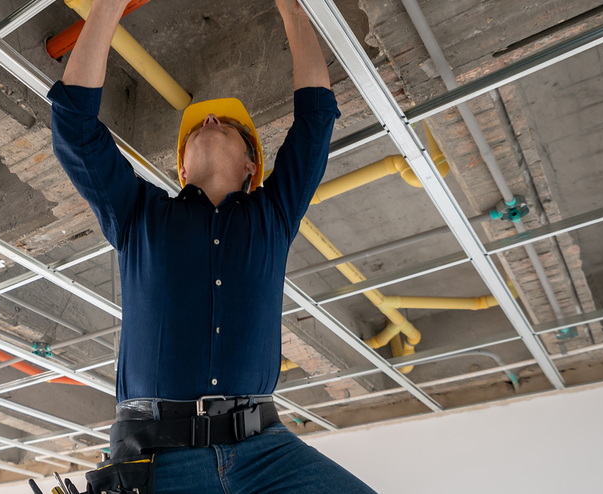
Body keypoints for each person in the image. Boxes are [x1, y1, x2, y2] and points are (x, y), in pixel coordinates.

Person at [48, 0, 375, 492]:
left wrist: (292, 10)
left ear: (252, 168)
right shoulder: (139, 212)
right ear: (181, 170)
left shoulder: (274, 213)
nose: (207, 122)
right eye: (197, 128)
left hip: (265, 449)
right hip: (160, 448)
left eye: (229, 127)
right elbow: (74, 125)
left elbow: (315, 123)